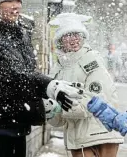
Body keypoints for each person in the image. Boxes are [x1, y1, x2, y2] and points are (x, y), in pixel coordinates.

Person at [0, 0, 81, 157]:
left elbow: (27, 75)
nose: (16, 6)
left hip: (15, 125)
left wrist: (43, 101)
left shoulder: (20, 36)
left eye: (18, 1)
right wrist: (49, 85)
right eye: (10, 1)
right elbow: (17, 76)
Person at [46, 13, 124, 157]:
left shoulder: (91, 60)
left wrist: (62, 107)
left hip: (101, 135)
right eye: (68, 35)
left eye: (78, 34)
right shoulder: (57, 69)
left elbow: (95, 99)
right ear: (60, 40)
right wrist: (50, 111)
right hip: (78, 139)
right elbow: (59, 120)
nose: (74, 39)